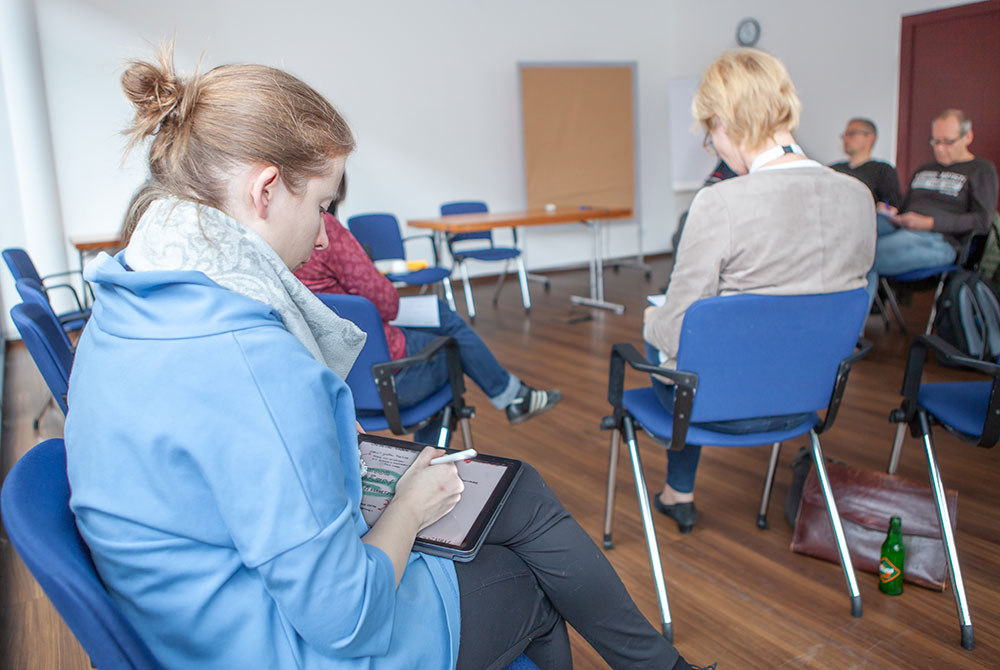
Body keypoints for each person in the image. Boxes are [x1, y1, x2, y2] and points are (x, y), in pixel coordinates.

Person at [63, 46, 710, 670]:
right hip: (279, 644)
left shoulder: (127, 298)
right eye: (322, 205)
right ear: (265, 191)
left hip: (189, 618)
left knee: (516, 495)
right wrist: (407, 507)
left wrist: (341, 452)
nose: (323, 232)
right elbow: (347, 618)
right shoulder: (253, 358)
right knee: (531, 582)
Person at [643, 48, 875, 534]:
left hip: (721, 408)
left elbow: (679, 325)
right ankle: (679, 490)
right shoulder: (858, 195)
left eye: (711, 135)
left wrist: (651, 318)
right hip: (806, 403)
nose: (716, 146)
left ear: (725, 121)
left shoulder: (720, 202)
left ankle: (678, 491)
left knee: (668, 332)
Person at [293, 179, 560, 440]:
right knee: (451, 348)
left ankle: (513, 394)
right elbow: (388, 303)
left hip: (324, 382)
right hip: (382, 379)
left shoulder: (270, 240)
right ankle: (508, 398)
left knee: (440, 314)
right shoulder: (326, 231)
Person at [873, 109, 999, 277]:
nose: (939, 149)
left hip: (939, 240)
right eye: (936, 141)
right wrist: (891, 210)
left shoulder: (981, 169)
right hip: (902, 228)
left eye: (947, 142)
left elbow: (983, 220)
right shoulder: (925, 169)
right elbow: (905, 205)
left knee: (864, 256)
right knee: (856, 235)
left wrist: (929, 223)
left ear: (967, 137)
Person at [829, 118, 902, 209]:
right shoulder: (833, 170)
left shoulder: (883, 170)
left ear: (870, 137)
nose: (845, 139)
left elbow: (890, 206)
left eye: (852, 134)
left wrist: (884, 207)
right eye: (844, 135)